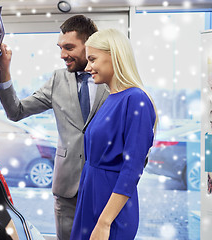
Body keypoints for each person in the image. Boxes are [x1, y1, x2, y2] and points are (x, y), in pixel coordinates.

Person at [0, 15, 109, 240]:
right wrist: (4, 71)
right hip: (67, 188)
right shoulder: (57, 80)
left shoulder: (111, 79)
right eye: (60, 47)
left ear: (89, 45)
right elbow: (16, 111)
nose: (62, 54)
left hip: (103, 187)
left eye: (69, 47)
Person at [70, 28, 158, 240]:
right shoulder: (111, 98)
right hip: (91, 197)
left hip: (110, 208)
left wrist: (105, 221)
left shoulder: (135, 99)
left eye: (93, 59)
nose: (88, 67)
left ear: (114, 56)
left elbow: (132, 168)